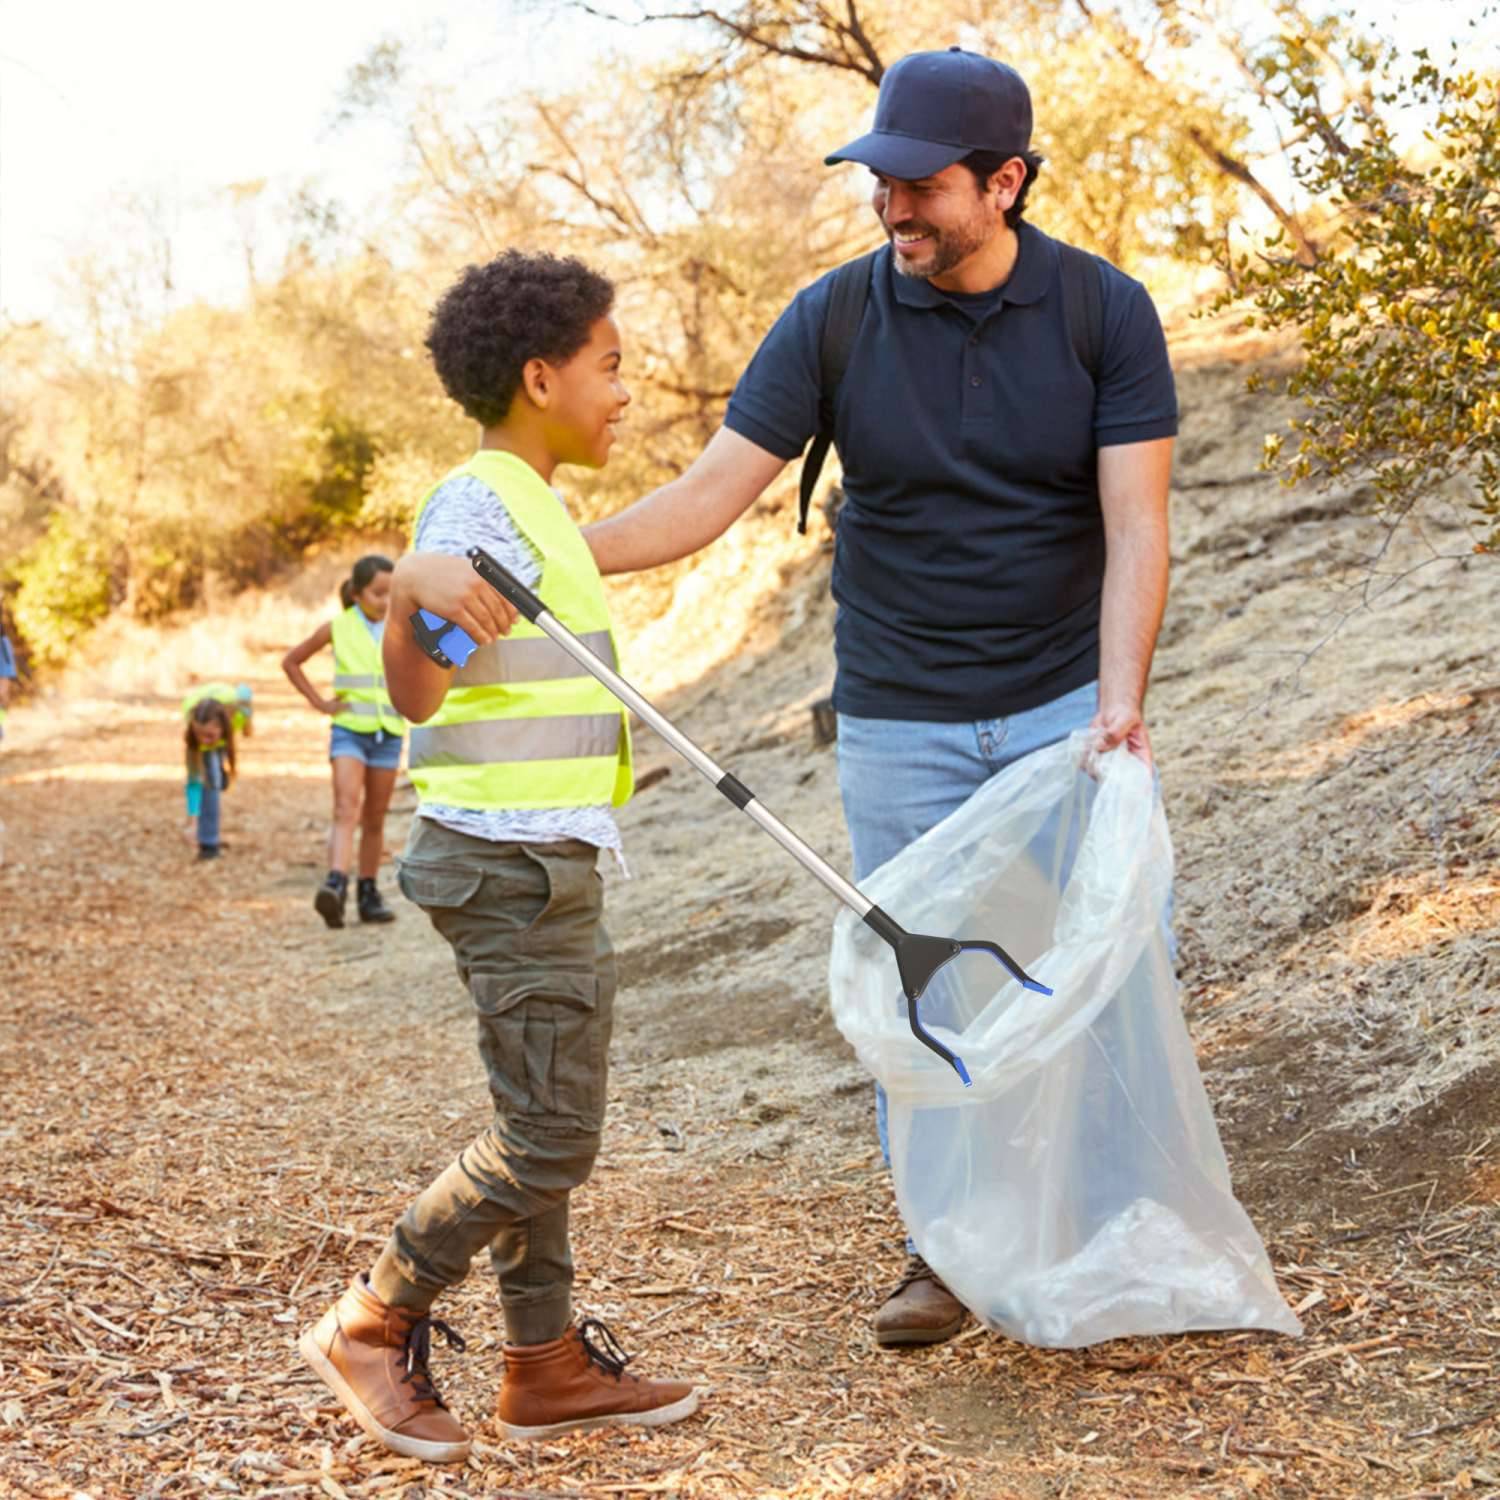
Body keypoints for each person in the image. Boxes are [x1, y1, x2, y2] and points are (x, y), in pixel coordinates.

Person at [578, 49, 1178, 1348]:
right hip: (898, 720)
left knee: (1081, 968)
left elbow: (1139, 528)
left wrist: (1118, 703)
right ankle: (945, 1249)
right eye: (881, 185)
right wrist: (552, 555)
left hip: (1058, 711)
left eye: (921, 186)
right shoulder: (835, 318)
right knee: (926, 986)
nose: (893, 209)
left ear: (1005, 183)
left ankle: (1104, 1230)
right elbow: (710, 495)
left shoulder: (1104, 313)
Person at [297, 250, 699, 1465]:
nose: (625, 391)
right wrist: (404, 587)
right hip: (508, 863)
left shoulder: (532, 508)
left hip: (535, 857)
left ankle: (543, 1363)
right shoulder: (477, 505)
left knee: (539, 1117)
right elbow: (416, 690)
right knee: (550, 1138)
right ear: (541, 374)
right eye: (610, 366)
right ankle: (374, 1318)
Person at [282, 558, 404, 928]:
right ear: (356, 594)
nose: (385, 600)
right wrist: (319, 703)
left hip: (389, 733)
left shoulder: (403, 625)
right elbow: (292, 662)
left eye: (391, 592)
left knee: (375, 817)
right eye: (377, 593)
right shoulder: (339, 626)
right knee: (345, 806)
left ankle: (369, 892)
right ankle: (335, 883)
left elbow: (444, 653)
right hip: (350, 730)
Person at [183, 697, 237, 861]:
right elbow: (193, 781)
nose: (203, 739)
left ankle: (220, 771)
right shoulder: (193, 732)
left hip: (224, 737)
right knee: (210, 782)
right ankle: (209, 843)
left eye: (209, 735)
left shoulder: (237, 714)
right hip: (209, 747)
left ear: (221, 727)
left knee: (217, 775)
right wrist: (193, 820)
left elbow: (245, 691)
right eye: (199, 734)